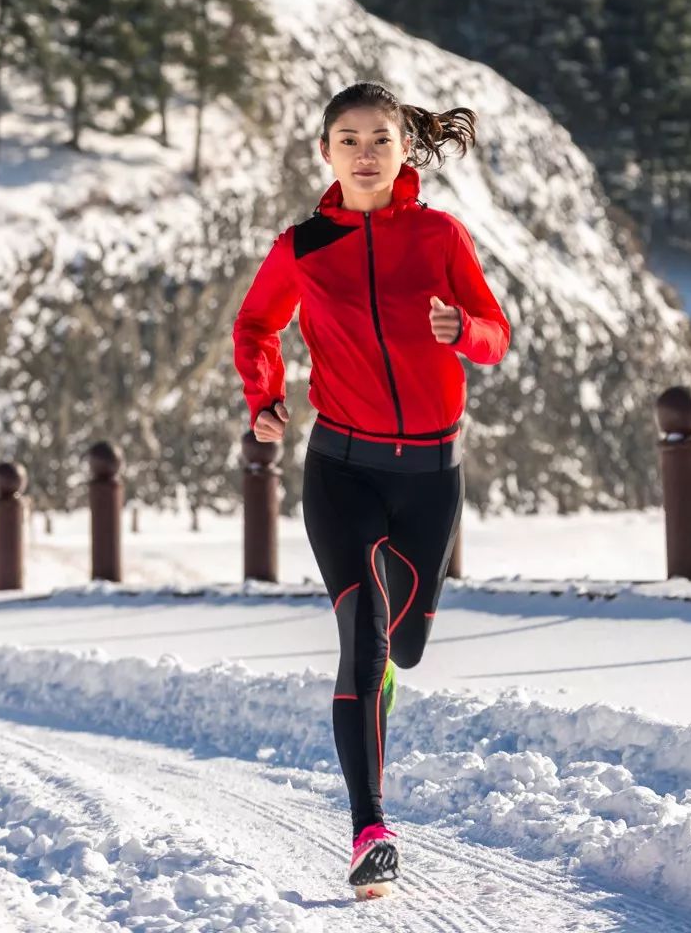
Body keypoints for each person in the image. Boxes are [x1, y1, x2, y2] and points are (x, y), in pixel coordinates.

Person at [232, 80, 510, 897]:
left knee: (405, 647)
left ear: (402, 151)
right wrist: (265, 395)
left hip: (430, 475)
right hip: (341, 470)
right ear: (325, 152)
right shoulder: (302, 244)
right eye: (347, 138)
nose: (363, 152)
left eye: (379, 138)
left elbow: (495, 334)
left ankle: (385, 666)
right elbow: (256, 325)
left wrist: (466, 331)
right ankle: (369, 827)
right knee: (363, 641)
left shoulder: (439, 235)